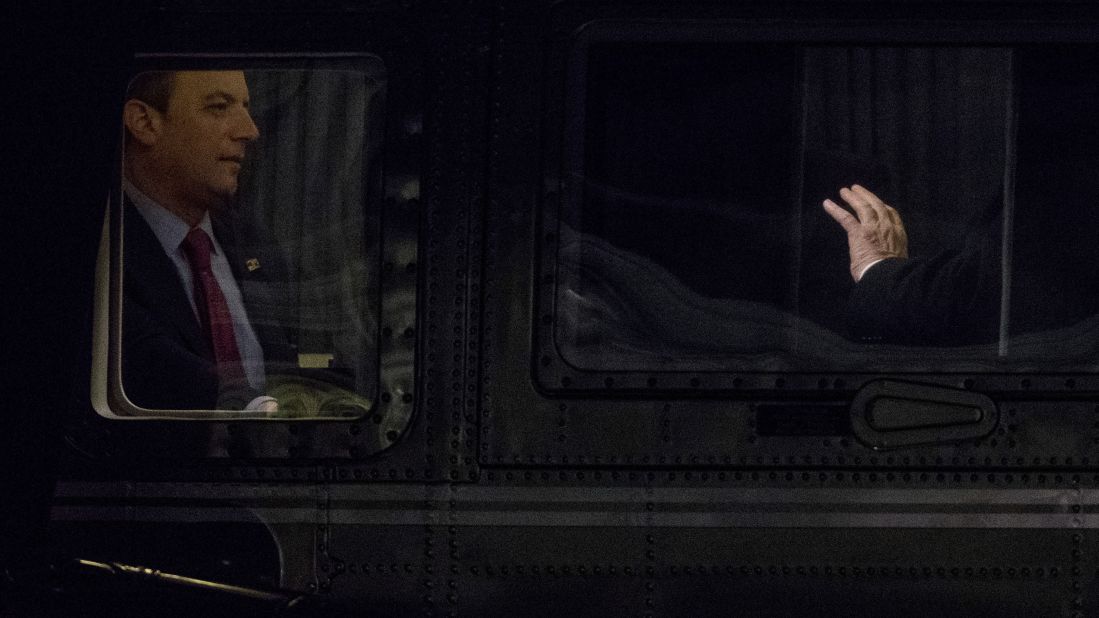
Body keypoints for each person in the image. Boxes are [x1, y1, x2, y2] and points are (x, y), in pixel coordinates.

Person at [120, 70, 294, 411]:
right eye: (219, 107)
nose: (250, 130)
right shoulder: (106, 254)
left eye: (246, 106)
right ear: (144, 122)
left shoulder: (256, 245)